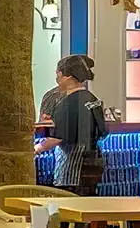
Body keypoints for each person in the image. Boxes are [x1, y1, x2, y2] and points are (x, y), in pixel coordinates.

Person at [35, 54, 105, 194]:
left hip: (72, 170)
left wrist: (36, 149)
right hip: (95, 163)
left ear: (67, 77)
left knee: (71, 202)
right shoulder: (93, 100)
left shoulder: (68, 103)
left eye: (58, 74)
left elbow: (57, 138)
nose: (57, 79)